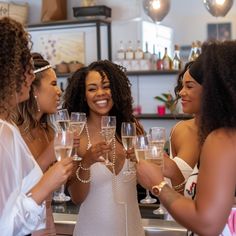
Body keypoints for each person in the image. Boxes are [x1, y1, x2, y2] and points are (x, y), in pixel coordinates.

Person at [137, 41, 236, 235]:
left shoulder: (223, 139)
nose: (181, 92)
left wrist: (158, 184)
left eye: (190, 86)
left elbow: (206, 223)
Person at [0, 17, 73, 235]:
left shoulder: (7, 129)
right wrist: (46, 185)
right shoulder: (4, 132)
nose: (30, 76)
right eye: (25, 67)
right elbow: (5, 226)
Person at [63, 60, 145, 236]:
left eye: (106, 87)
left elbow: (148, 183)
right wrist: (86, 162)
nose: (101, 93)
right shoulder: (76, 134)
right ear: (83, 95)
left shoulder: (131, 128)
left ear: (115, 90)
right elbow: (76, 198)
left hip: (133, 230)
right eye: (92, 89)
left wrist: (143, 162)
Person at [13, 52, 62, 235]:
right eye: (53, 84)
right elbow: (15, 190)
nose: (59, 91)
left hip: (47, 221)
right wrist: (49, 154)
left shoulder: (48, 131)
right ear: (34, 90)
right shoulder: (12, 132)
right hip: (22, 226)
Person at [163, 59, 203, 194]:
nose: (181, 92)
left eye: (189, 86)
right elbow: (172, 192)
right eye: (181, 86)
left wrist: (174, 172)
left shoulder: (225, 137)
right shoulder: (178, 130)